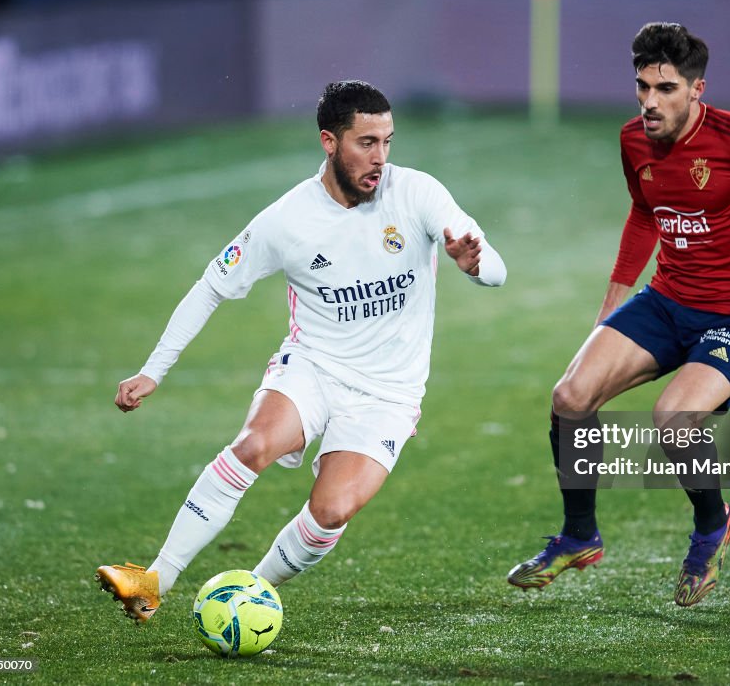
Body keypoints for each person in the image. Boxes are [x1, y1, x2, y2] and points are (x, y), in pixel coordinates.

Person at [96, 80, 506, 623]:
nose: (380, 158)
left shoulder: (418, 195)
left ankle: (252, 590)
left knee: (331, 509)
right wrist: (153, 371)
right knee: (253, 444)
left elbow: (496, 269)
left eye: (387, 141)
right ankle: (153, 580)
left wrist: (472, 264)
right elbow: (211, 286)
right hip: (313, 366)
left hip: (388, 392)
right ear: (329, 142)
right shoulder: (286, 220)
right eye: (366, 143)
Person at [506, 22, 730, 606]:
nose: (649, 102)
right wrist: (615, 297)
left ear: (697, 89)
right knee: (570, 397)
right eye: (642, 87)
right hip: (667, 299)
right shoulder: (633, 140)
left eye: (665, 89)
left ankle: (713, 524)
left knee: (673, 417)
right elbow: (646, 211)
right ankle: (578, 536)